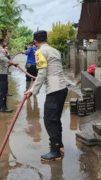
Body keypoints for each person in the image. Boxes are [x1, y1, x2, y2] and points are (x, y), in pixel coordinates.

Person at [25, 30, 70, 161]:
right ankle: (59, 145)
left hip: (54, 89)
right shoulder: (55, 50)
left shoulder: (39, 52)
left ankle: (55, 152)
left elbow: (42, 74)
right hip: (62, 88)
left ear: (35, 42)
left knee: (49, 120)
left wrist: (32, 91)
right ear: (46, 39)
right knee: (55, 118)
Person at [0, 38, 18, 113]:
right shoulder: (1, 50)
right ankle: (3, 107)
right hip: (2, 73)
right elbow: (2, 58)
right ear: (2, 42)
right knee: (3, 90)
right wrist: (12, 62)